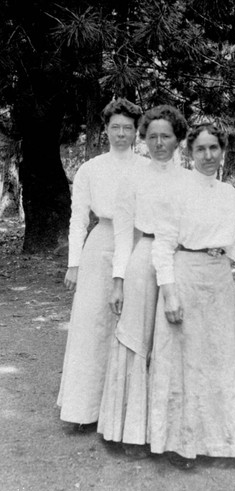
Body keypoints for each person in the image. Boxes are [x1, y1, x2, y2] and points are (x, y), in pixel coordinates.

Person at [149, 122, 235, 469]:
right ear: (190, 153)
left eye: (214, 148)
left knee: (219, 359)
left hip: (219, 284)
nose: (208, 156)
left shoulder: (233, 195)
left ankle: (224, 443)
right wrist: (169, 294)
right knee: (185, 361)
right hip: (185, 278)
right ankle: (183, 445)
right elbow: (162, 245)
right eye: (201, 149)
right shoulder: (176, 191)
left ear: (222, 151)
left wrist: (227, 255)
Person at [97, 105, 189, 456]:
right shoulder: (132, 179)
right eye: (152, 137)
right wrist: (118, 281)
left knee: (173, 346)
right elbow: (123, 235)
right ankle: (131, 432)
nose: (159, 143)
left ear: (178, 138)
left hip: (179, 264)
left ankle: (170, 436)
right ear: (143, 140)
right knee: (137, 341)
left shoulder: (190, 179)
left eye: (166, 136)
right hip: (141, 260)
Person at [57, 98, 149, 429]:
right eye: (115, 128)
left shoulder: (147, 168)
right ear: (105, 129)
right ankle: (83, 411)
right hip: (100, 245)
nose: (121, 134)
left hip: (138, 244)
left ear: (136, 131)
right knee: (93, 323)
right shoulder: (91, 169)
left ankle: (127, 413)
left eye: (128, 128)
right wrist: (74, 263)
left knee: (131, 324)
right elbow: (78, 218)